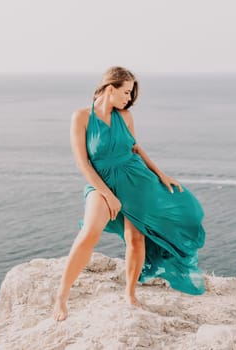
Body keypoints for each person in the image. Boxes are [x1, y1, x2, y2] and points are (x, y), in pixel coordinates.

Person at [52, 66, 206, 322]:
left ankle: (130, 293)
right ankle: (62, 294)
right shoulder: (80, 117)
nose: (128, 99)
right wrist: (108, 195)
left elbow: (136, 149)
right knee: (90, 232)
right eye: (125, 92)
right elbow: (83, 164)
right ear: (109, 88)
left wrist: (160, 174)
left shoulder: (125, 117)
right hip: (101, 183)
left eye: (131, 94)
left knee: (136, 238)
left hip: (135, 179)